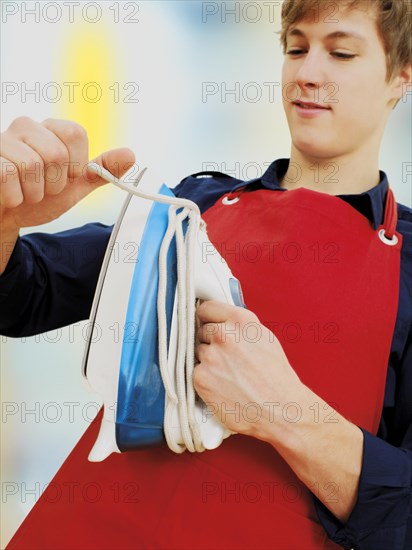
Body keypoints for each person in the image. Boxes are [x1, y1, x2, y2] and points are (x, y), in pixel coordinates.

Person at [1, 0, 411, 548]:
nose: (308, 73)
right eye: (295, 47)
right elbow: (24, 293)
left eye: (340, 52)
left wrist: (281, 410)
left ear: (400, 76)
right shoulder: (193, 207)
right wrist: (6, 222)